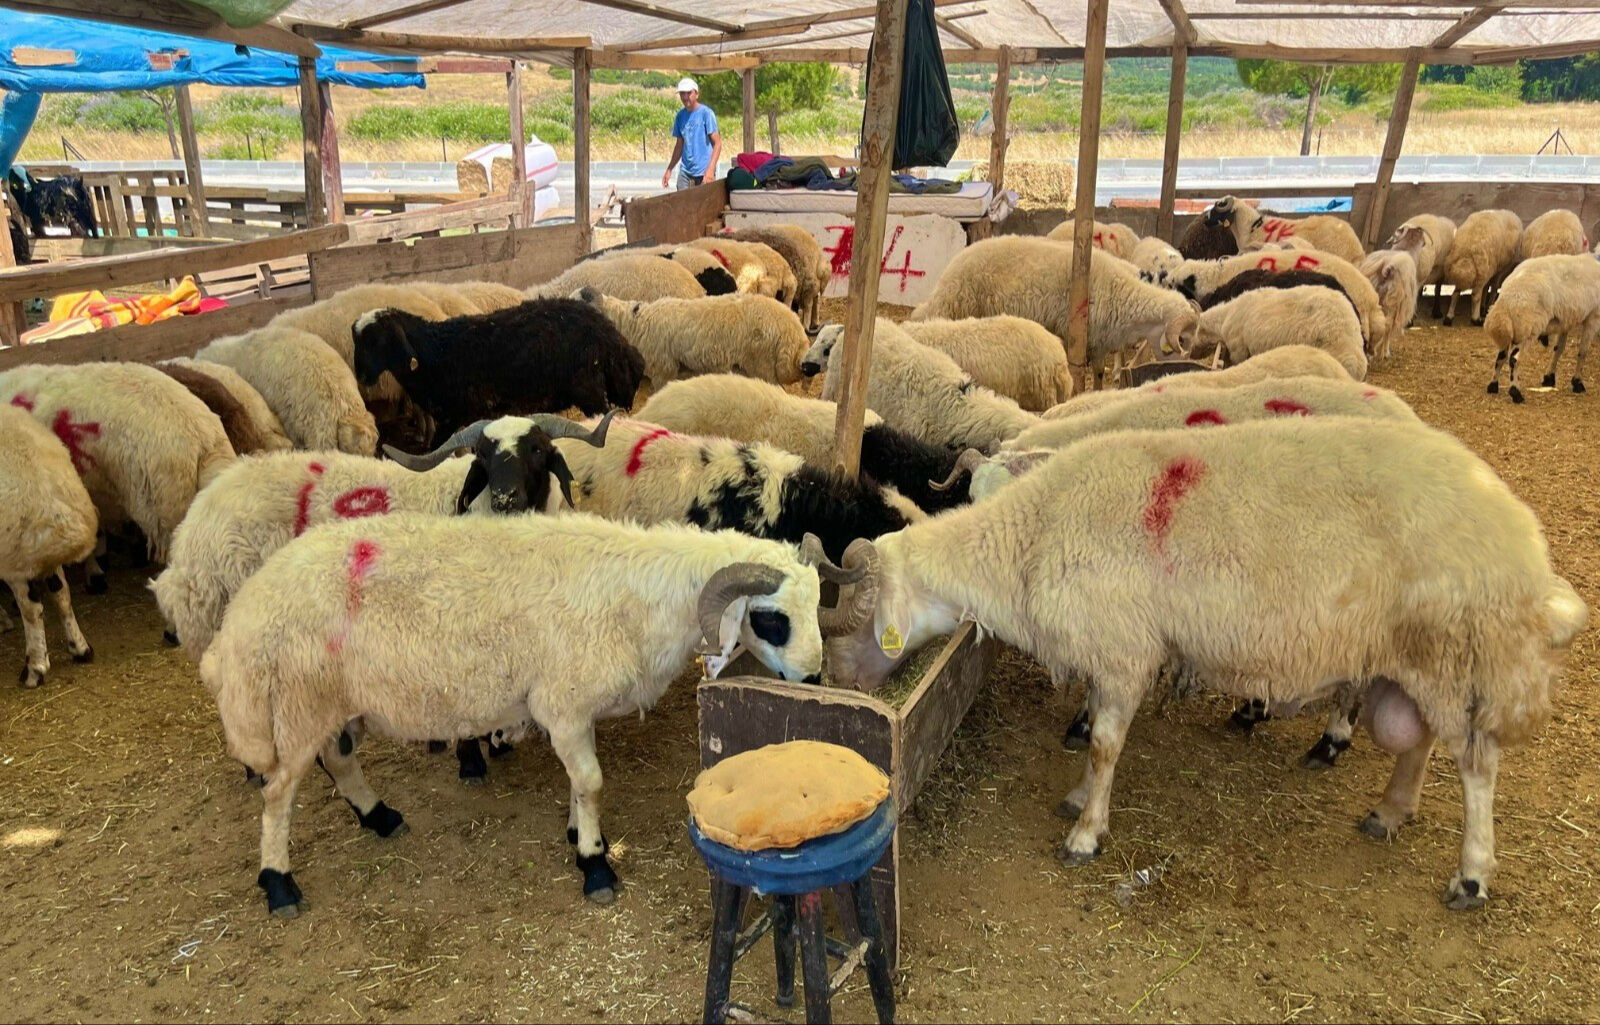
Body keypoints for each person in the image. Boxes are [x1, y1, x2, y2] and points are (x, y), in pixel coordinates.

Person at [662, 77, 721, 191]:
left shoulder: (706, 114)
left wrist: (710, 169)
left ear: (696, 94)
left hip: (704, 171)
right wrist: (669, 169)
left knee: (703, 205)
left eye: (688, 93)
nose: (685, 97)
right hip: (685, 171)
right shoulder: (680, 116)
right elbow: (679, 145)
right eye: (682, 94)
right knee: (682, 204)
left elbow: (717, 144)